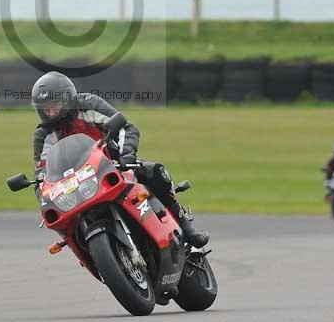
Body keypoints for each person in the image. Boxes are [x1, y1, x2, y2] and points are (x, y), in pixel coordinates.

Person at [31, 70, 209, 248]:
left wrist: (126, 156)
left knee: (155, 173)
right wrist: (44, 196)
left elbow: (126, 128)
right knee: (66, 224)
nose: (51, 112)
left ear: (68, 98)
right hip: (76, 187)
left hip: (113, 167)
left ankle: (187, 227)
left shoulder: (88, 105)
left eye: (55, 105)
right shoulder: (43, 135)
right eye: (46, 108)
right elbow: (42, 174)